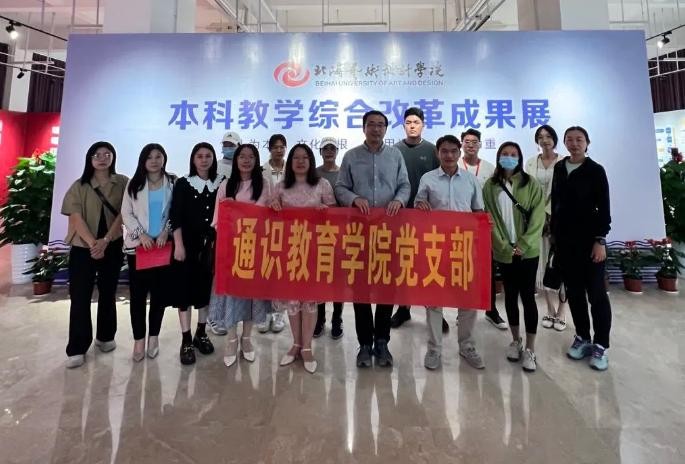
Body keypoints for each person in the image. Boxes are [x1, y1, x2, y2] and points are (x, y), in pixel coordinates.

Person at [335, 110, 411, 368]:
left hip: (389, 232)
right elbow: (340, 187)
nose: (376, 129)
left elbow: (405, 185)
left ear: (386, 129)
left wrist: (399, 200)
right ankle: (365, 344)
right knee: (361, 290)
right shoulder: (351, 156)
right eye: (371, 124)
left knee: (387, 287)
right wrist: (354, 198)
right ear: (363, 127)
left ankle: (382, 342)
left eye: (380, 125)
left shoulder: (395, 155)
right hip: (360, 232)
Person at [414, 135, 485, 370]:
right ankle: (434, 349)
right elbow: (418, 207)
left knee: (467, 299)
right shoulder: (428, 179)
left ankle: (467, 346)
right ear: (438, 153)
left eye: (454, 151)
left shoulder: (470, 180)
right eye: (444, 151)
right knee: (434, 300)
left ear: (459, 152)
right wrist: (420, 206)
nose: (449, 155)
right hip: (436, 247)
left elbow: (478, 212)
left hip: (463, 247)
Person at [61, 141, 128, 368]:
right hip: (83, 248)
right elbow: (75, 217)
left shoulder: (122, 183)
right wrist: (93, 244)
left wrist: (105, 241)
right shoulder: (79, 185)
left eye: (107, 154)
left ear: (113, 158)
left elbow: (123, 214)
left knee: (108, 293)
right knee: (80, 296)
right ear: (90, 159)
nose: (102, 158)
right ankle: (77, 347)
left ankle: (106, 336)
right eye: (97, 155)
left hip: (112, 245)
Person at [271, 143, 337, 373]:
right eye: (296, 158)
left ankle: (307, 346)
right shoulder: (280, 187)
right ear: (290, 163)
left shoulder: (322, 184)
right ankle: (296, 344)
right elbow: (270, 217)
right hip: (289, 251)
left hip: (314, 250)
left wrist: (325, 210)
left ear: (311, 161)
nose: (300, 161)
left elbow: (335, 214)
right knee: (292, 300)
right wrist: (273, 206)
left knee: (309, 300)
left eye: (304, 158)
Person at [551, 126, 612, 371]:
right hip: (565, 243)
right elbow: (555, 203)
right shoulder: (559, 167)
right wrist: (554, 234)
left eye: (579, 139)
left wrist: (600, 240)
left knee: (597, 295)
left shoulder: (595, 170)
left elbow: (604, 208)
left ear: (587, 143)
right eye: (570, 139)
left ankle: (601, 345)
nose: (574, 143)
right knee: (574, 293)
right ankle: (583, 337)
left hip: (590, 243)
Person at [483, 142, 545, 372]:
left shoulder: (531, 184)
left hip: (528, 252)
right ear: (499, 157)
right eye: (505, 154)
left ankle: (530, 348)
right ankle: (515, 340)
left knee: (528, 297)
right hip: (505, 252)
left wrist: (524, 243)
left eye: (513, 154)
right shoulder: (490, 185)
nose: (509, 157)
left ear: (519, 158)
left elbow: (538, 216)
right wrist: (502, 245)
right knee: (509, 296)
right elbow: (489, 217)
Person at [209, 144, 271, 368]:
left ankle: (246, 338)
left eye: (251, 157)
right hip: (231, 249)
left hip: (255, 249)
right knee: (232, 295)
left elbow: (262, 215)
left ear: (256, 160)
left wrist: (237, 209)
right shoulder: (226, 185)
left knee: (251, 295)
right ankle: (231, 339)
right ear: (235, 160)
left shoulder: (264, 184)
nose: (246, 160)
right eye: (242, 156)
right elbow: (219, 220)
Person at [389, 107, 449, 334]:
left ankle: (434, 311)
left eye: (416, 122)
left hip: (427, 217)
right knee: (403, 265)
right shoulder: (394, 150)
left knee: (429, 265)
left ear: (423, 124)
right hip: (401, 216)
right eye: (408, 122)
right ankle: (403, 308)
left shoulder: (433, 150)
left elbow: (440, 181)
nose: (412, 125)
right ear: (403, 125)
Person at [121, 143, 175, 362]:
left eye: (158, 156)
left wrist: (166, 231)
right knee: (138, 297)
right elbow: (126, 213)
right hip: (139, 249)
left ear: (164, 159)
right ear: (143, 160)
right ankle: (139, 340)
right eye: (150, 157)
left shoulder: (172, 182)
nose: (154, 161)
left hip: (162, 248)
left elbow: (176, 211)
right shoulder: (134, 184)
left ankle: (154, 337)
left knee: (159, 296)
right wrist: (141, 235)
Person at [169, 142, 222, 365]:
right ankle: (186, 339)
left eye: (208, 155)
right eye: (199, 156)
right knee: (185, 293)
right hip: (186, 246)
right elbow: (175, 216)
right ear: (193, 159)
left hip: (211, 246)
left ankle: (201, 333)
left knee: (205, 292)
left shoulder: (222, 183)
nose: (204, 160)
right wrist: (178, 245)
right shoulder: (183, 183)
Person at [460, 128, 509, 331]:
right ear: (461, 144)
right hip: (460, 228)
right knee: (462, 269)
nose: (471, 145)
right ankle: (463, 311)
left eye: (474, 142)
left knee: (487, 269)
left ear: (480, 144)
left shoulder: (489, 168)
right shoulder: (454, 166)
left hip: (484, 226)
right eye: (467, 141)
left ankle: (491, 310)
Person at [524, 125, 567, 331]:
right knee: (543, 263)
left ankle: (562, 311)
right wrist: (538, 217)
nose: (545, 140)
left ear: (555, 139)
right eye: (540, 137)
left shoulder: (564, 161)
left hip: (560, 220)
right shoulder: (531, 163)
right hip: (536, 221)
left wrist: (549, 215)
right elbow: (527, 191)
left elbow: (566, 193)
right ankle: (549, 309)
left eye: (548, 136)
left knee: (561, 263)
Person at [257, 133, 288, 334]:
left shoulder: (292, 170)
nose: (279, 150)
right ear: (269, 149)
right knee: (265, 270)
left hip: (287, 228)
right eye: (275, 147)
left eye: (282, 146)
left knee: (281, 271)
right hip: (265, 227)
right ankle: (264, 314)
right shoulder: (260, 171)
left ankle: (279, 313)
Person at [314, 136, 344, 339]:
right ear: (321, 152)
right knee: (321, 276)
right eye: (326, 149)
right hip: (318, 233)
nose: (329, 152)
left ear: (337, 151)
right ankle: (320, 318)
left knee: (337, 278)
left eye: (332, 148)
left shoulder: (343, 173)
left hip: (340, 232)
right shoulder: (314, 174)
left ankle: (337, 318)